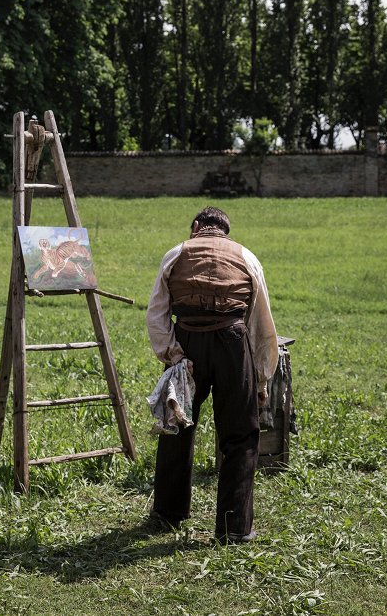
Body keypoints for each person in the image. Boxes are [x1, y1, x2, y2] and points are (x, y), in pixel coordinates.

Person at [146, 205, 278, 543]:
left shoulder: (175, 254)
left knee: (177, 425)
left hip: (187, 343)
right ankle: (234, 528)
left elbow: (157, 314)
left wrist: (174, 354)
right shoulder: (247, 257)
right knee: (240, 434)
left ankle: (168, 512)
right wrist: (261, 378)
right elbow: (261, 324)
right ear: (224, 232)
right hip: (233, 344)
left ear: (195, 227)